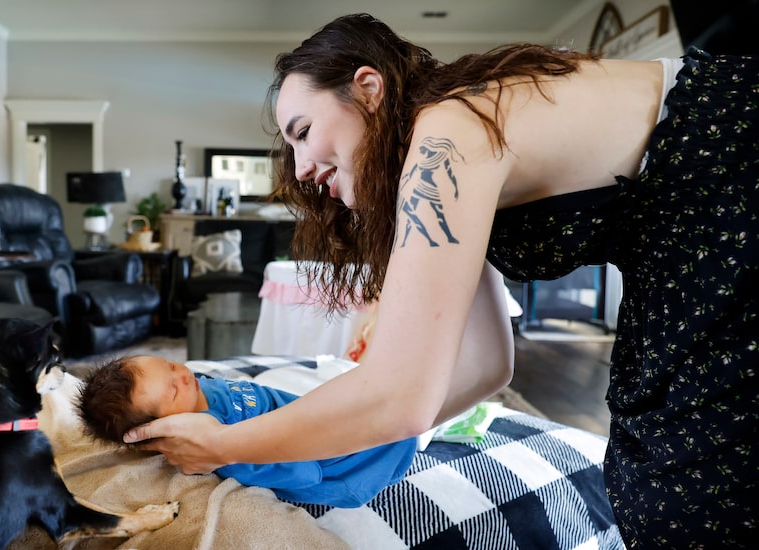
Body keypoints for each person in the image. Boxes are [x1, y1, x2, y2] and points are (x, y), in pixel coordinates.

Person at [123, 13, 759, 547]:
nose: (301, 166)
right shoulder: (439, 158)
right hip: (684, 244)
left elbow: (401, 393)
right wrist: (352, 448)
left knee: (688, 495)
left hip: (730, 171)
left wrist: (228, 444)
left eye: (304, 132)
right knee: (650, 475)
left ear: (368, 88)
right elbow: (485, 367)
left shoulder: (448, 132)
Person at [77, 355, 417, 508]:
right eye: (172, 390)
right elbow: (306, 474)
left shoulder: (197, 388)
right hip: (364, 461)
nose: (183, 373)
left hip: (325, 414)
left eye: (170, 364)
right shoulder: (217, 450)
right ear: (157, 430)